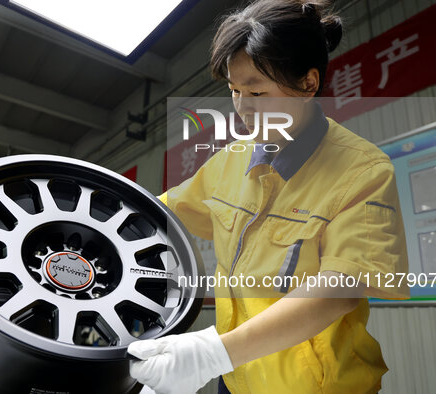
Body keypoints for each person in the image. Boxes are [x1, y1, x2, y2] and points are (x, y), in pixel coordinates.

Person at [128, 1, 409, 393]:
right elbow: (155, 214)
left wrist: (209, 354)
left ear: (308, 85)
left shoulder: (363, 172)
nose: (242, 107)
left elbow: (337, 292)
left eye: (257, 91)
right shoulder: (229, 162)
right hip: (236, 376)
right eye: (234, 90)